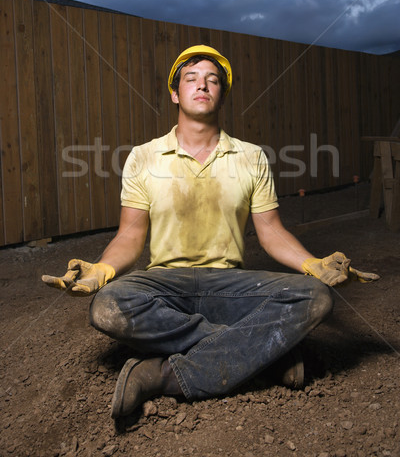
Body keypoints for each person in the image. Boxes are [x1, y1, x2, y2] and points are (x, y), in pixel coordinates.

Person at [42, 45, 379, 424]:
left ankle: (161, 374)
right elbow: (130, 236)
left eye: (212, 80)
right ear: (175, 93)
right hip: (164, 284)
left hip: (230, 285)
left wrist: (311, 263)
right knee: (107, 306)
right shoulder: (143, 157)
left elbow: (271, 232)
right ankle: (264, 352)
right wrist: (101, 271)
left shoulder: (251, 157)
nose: (202, 85)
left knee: (315, 298)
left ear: (221, 94)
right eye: (191, 78)